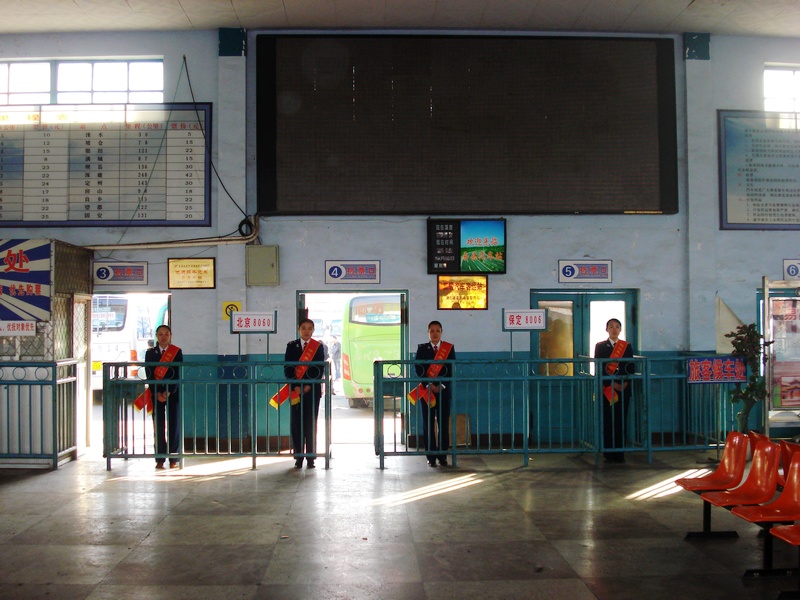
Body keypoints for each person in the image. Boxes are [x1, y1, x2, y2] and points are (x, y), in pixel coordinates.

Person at [413, 320, 456, 467]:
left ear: (441, 332)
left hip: (444, 391)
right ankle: (430, 457)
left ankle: (442, 456)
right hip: (427, 392)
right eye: (432, 331)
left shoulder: (448, 349)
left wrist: (442, 385)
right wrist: (429, 385)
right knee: (428, 424)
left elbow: (451, 369)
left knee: (443, 424)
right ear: (428, 333)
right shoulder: (422, 349)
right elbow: (419, 369)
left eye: (438, 330)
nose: (435, 333)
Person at [284, 318, 326, 468]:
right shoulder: (291, 346)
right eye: (303, 328)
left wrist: (308, 385)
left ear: (313, 330)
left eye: (309, 328)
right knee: (297, 424)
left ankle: (310, 458)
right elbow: (288, 368)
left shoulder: (318, 347)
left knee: (310, 423)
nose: (306, 331)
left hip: (312, 390)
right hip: (295, 391)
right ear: (299, 330)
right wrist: (296, 386)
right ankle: (298, 457)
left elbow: (319, 368)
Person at [594, 318, 634, 463]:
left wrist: (623, 383)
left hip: (623, 389)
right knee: (608, 420)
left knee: (620, 420)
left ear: (620, 329)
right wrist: (610, 383)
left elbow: (630, 367)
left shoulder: (626, 347)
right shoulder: (600, 346)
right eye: (611, 326)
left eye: (617, 326)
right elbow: (599, 367)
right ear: (607, 329)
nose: (614, 329)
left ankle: (620, 453)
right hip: (607, 389)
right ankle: (608, 453)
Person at [145, 324, 183, 470]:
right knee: (158, 425)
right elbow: (149, 374)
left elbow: (178, 373)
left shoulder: (176, 352)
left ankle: (174, 458)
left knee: (174, 424)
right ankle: (160, 458)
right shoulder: (150, 353)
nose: (163, 337)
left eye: (166, 334)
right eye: (160, 334)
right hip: (156, 393)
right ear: (156, 336)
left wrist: (169, 391)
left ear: (170, 335)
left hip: (172, 393)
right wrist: (156, 393)